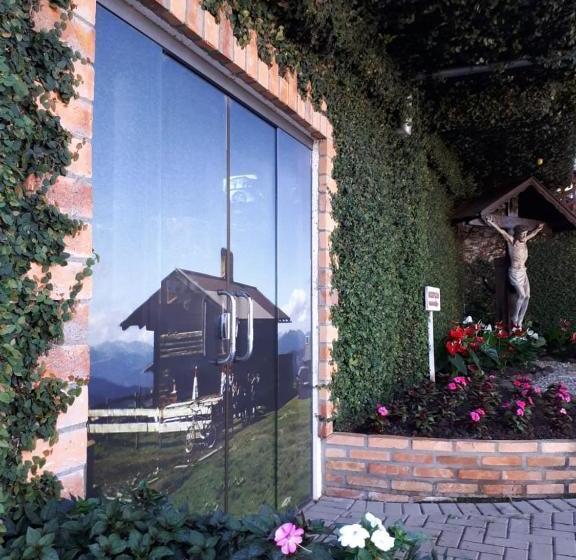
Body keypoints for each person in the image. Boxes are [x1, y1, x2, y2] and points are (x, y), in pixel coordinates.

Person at [484, 215, 544, 327]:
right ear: (517, 234)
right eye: (522, 234)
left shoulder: (524, 241)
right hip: (515, 273)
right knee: (522, 295)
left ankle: (520, 320)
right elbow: (502, 232)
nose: (524, 236)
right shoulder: (512, 241)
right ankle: (514, 317)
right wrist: (492, 223)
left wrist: (538, 229)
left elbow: (532, 234)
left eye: (525, 234)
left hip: (523, 272)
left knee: (527, 296)